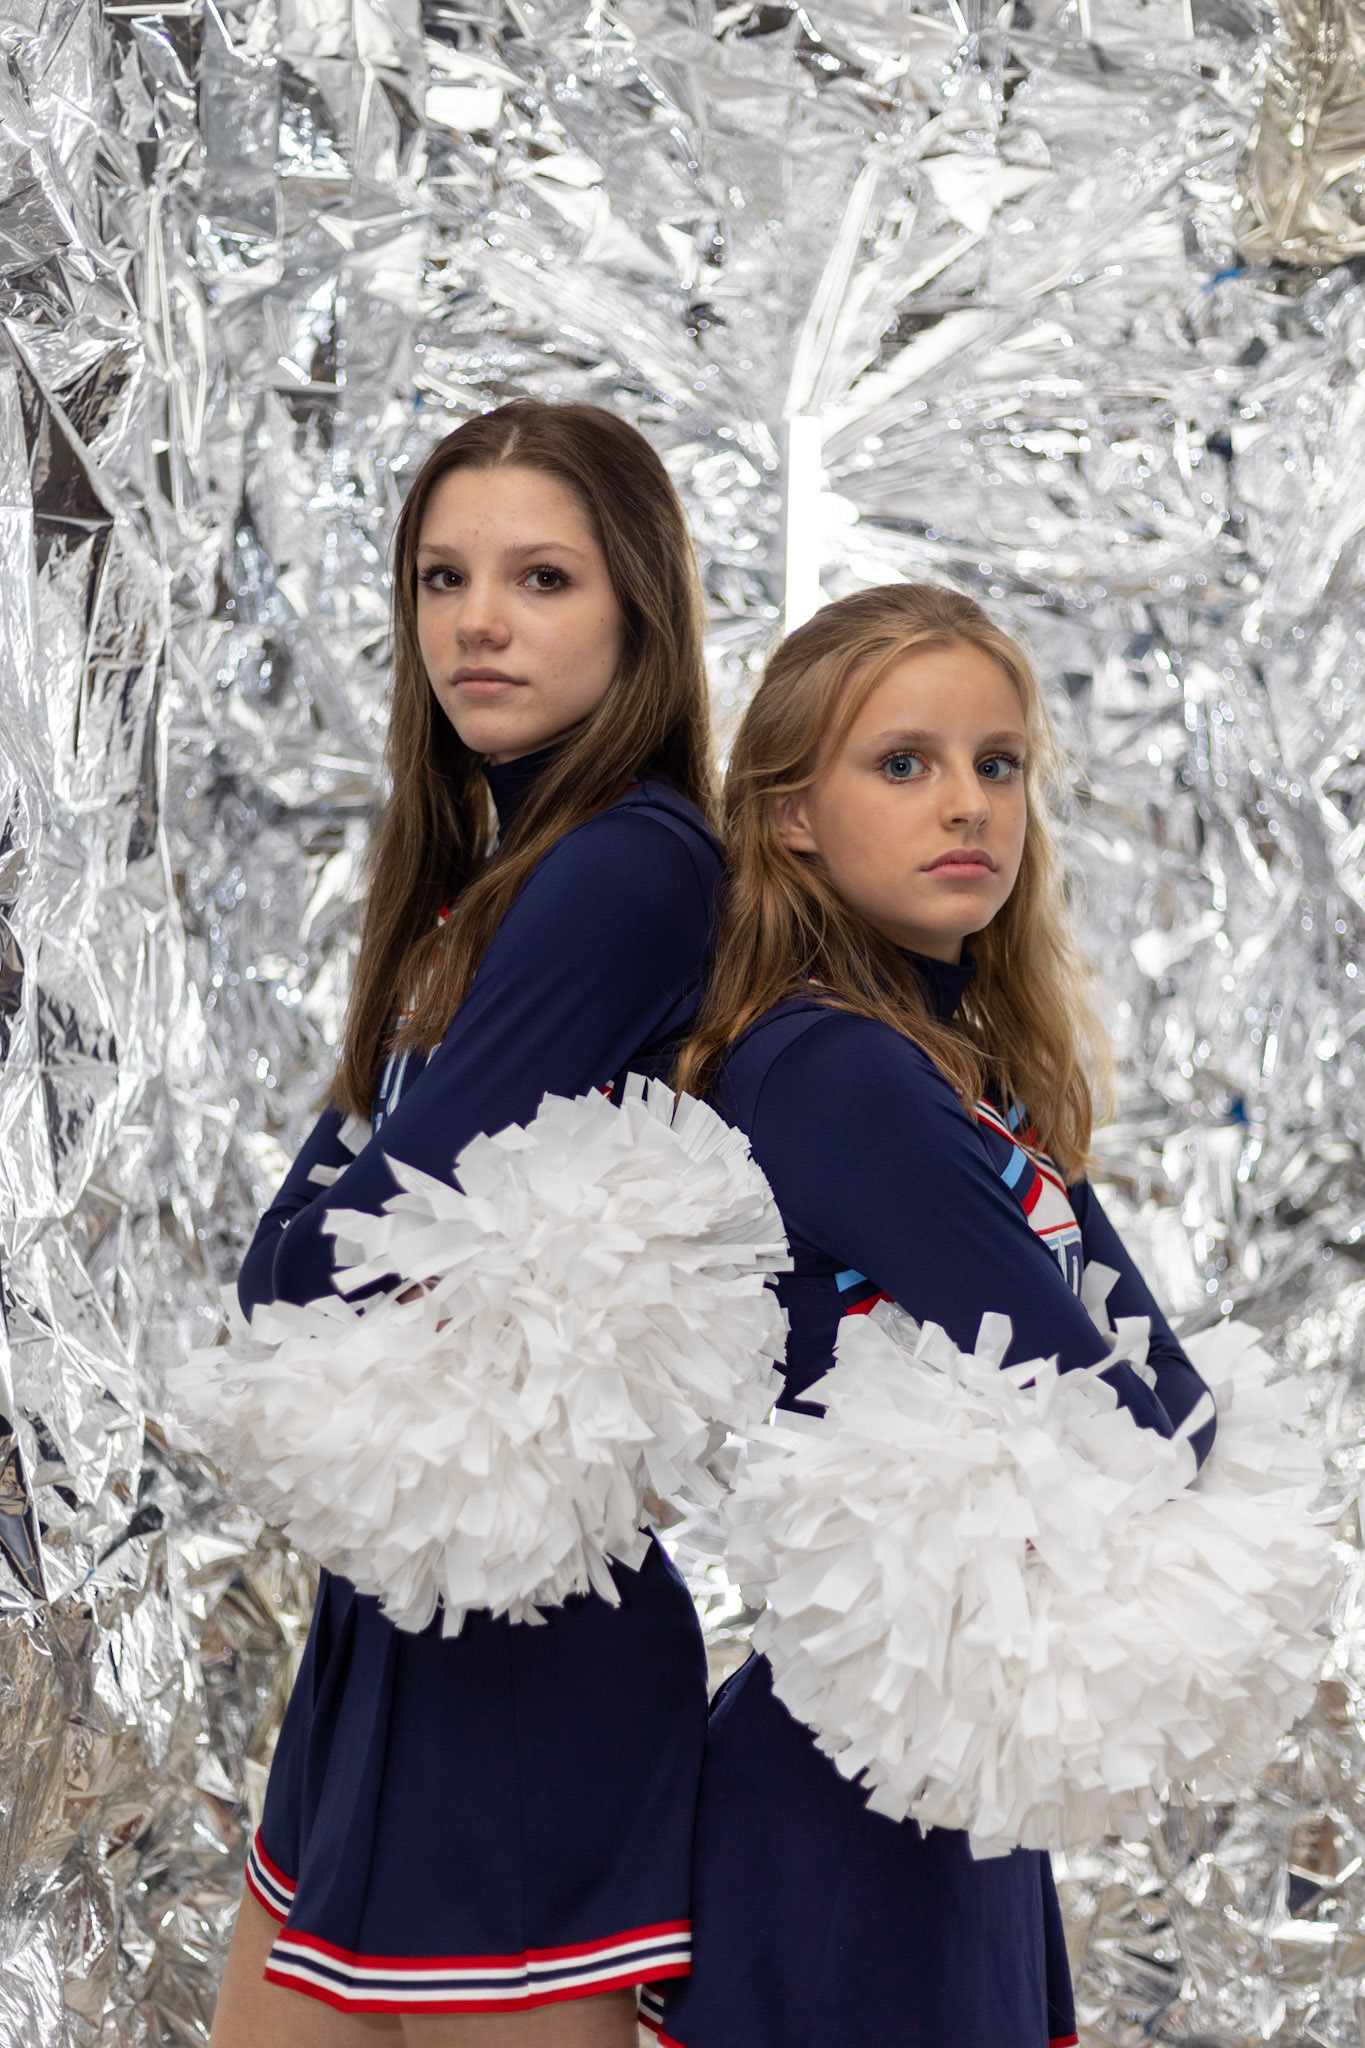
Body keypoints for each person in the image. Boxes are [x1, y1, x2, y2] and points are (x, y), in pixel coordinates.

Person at [210, 400, 723, 2048]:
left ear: (637, 609)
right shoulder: (481, 877)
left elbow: (325, 1257)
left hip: (525, 1676)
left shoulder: (626, 871)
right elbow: (321, 1249)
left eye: (541, 578)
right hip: (389, 1643)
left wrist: (321, 1234)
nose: (475, 623)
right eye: (441, 577)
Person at [654, 582, 1216, 2048]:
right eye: (901, 764)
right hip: (845, 1803)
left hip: (940, 1769)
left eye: (996, 763)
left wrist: (1157, 1426)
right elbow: (1123, 1413)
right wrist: (1154, 1431)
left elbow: (1163, 1400)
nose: (963, 803)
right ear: (787, 814)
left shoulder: (955, 1068)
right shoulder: (836, 1074)